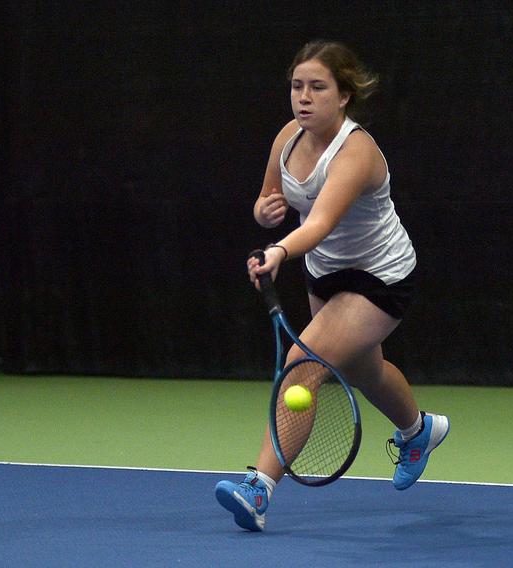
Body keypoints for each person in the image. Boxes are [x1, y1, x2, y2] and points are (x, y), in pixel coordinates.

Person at [215, 40, 449, 532]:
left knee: (302, 368)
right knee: (366, 372)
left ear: (343, 96)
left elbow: (319, 222)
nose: (304, 97)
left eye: (318, 87)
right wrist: (265, 212)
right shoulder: (288, 138)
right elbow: (267, 198)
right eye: (297, 86)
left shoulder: (356, 152)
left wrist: (278, 250)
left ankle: (258, 488)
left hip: (380, 277)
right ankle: (417, 431)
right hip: (324, 273)